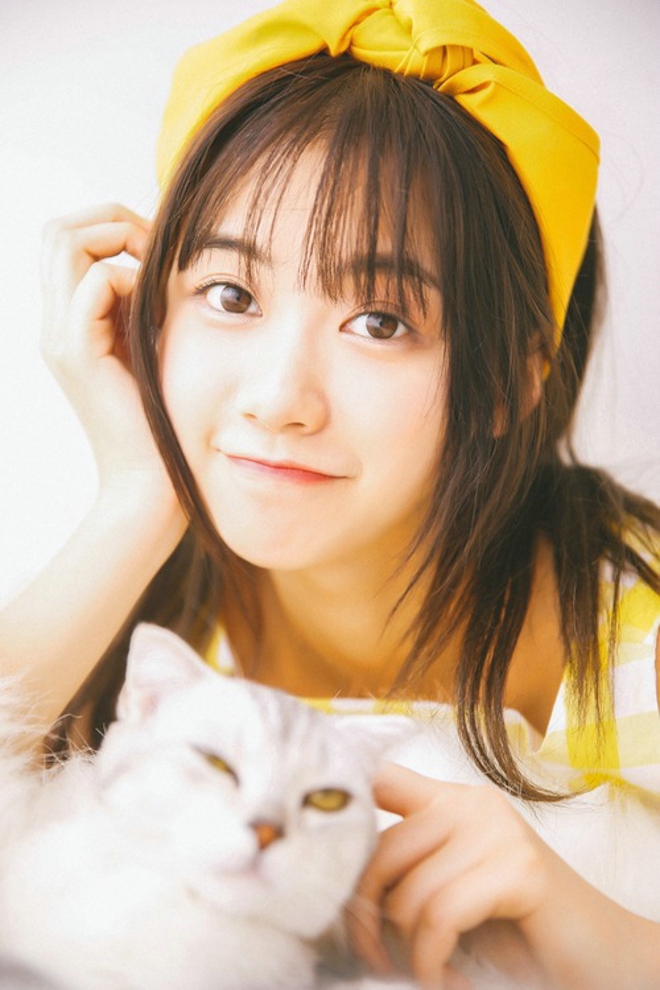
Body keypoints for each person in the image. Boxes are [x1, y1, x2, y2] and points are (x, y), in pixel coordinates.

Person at [1, 0, 659, 986]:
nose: (277, 400)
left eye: (381, 321)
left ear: (511, 380)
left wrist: (594, 929)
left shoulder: (630, 625)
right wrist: (139, 494)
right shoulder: (151, 600)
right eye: (231, 294)